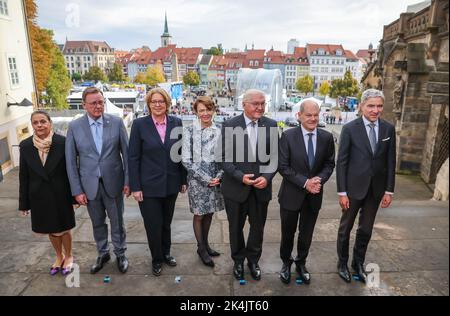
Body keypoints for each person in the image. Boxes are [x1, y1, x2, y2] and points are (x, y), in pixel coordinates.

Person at [66, 87, 130, 274]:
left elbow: (127, 155)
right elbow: (71, 161)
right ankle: (103, 253)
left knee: (117, 221)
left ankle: (120, 253)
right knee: (97, 222)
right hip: (90, 186)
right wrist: (77, 190)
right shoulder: (75, 127)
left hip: (114, 183)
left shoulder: (117, 122)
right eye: (93, 103)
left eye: (101, 102)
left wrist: (128, 181)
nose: (98, 106)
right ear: (84, 105)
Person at [336, 89, 396, 283]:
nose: (375, 110)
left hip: (375, 190)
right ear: (362, 106)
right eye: (371, 105)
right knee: (345, 228)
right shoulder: (349, 129)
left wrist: (389, 190)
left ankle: (358, 263)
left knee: (366, 230)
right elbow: (342, 162)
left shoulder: (388, 129)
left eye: (379, 106)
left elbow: (390, 161)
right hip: (353, 189)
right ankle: (342, 263)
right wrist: (342, 192)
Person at [219, 89, 278, 281]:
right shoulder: (229, 125)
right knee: (235, 228)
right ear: (243, 104)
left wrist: (267, 177)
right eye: (255, 103)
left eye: (263, 103)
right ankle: (238, 260)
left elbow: (276, 158)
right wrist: (240, 176)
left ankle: (253, 260)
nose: (260, 107)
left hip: (261, 189)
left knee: (257, 228)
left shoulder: (271, 125)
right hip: (236, 188)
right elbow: (222, 158)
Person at [128, 87, 187, 277]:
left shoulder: (176, 122)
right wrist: (135, 186)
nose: (157, 104)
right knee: (153, 224)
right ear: (148, 104)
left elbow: (180, 154)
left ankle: (166, 253)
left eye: (161, 101)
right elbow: (133, 157)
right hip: (148, 186)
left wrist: (183, 179)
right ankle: (156, 258)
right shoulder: (139, 125)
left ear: (167, 103)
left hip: (171, 183)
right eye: (154, 101)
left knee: (166, 223)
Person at [278, 98, 335, 284]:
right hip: (291, 195)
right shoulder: (287, 136)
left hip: (314, 196)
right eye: (308, 115)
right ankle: (286, 263)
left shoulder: (326, 138)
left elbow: (329, 164)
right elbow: (283, 166)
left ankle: (301, 263)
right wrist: (305, 183)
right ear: (299, 115)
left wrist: (318, 180)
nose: (312, 119)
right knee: (288, 232)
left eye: (316, 115)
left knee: (306, 233)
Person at [19, 110, 76, 275]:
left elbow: (72, 170)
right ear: (32, 125)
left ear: (50, 123)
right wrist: (24, 203)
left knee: (64, 228)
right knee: (50, 228)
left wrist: (75, 196)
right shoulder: (25, 145)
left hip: (61, 193)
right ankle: (59, 256)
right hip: (39, 196)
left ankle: (70, 256)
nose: (39, 125)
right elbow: (24, 175)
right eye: (35, 122)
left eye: (43, 121)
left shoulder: (63, 142)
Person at [182, 96, 224, 268]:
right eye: (201, 110)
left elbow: (225, 156)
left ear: (213, 110)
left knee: (210, 213)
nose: (205, 113)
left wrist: (219, 176)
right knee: (199, 215)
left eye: (208, 109)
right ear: (196, 112)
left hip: (216, 179)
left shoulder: (220, 129)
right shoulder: (189, 131)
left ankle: (206, 245)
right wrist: (206, 179)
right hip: (198, 181)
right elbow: (186, 160)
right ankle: (201, 248)